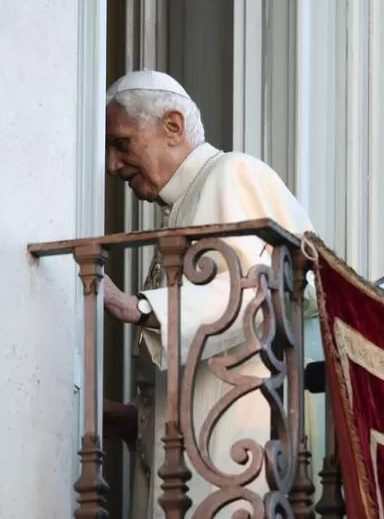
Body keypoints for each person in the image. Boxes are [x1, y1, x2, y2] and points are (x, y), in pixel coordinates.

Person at [101, 69, 316, 519]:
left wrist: (137, 306)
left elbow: (253, 289)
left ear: (173, 127)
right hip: (191, 460)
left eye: (121, 144)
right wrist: (132, 418)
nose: (112, 165)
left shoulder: (232, 173)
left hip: (231, 453)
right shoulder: (180, 205)